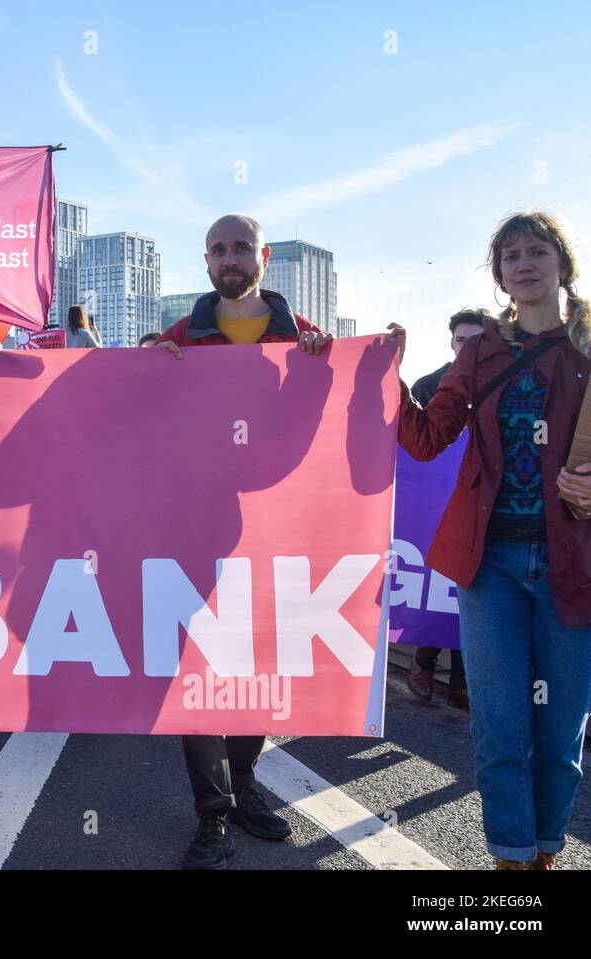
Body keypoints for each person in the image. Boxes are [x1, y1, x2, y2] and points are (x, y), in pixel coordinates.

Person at [391, 211, 591, 870]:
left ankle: (546, 857)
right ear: (500, 275)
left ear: (563, 262)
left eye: (537, 251)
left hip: (577, 562)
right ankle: (512, 864)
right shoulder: (480, 353)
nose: (524, 263)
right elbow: (425, 437)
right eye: (510, 255)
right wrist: (383, 375)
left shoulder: (588, 347)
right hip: (491, 567)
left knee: (560, 735)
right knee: (500, 730)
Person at [156, 214, 333, 870]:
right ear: (205, 261)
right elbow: (127, 409)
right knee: (198, 669)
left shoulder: (308, 339)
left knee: (260, 662)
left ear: (261, 257)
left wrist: (380, 357)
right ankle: (213, 814)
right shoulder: (177, 337)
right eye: (218, 249)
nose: (229, 258)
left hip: (276, 530)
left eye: (240, 248)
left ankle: (245, 781)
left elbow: (350, 408)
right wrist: (150, 367)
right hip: (194, 528)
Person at [406, 308, 490, 709]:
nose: (468, 347)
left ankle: (461, 683)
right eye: (461, 340)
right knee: (431, 586)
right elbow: (418, 440)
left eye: (476, 340)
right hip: (431, 500)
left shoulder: (501, 381)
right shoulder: (428, 385)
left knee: (465, 591)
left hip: (481, 501)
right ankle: (422, 663)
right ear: (451, 342)